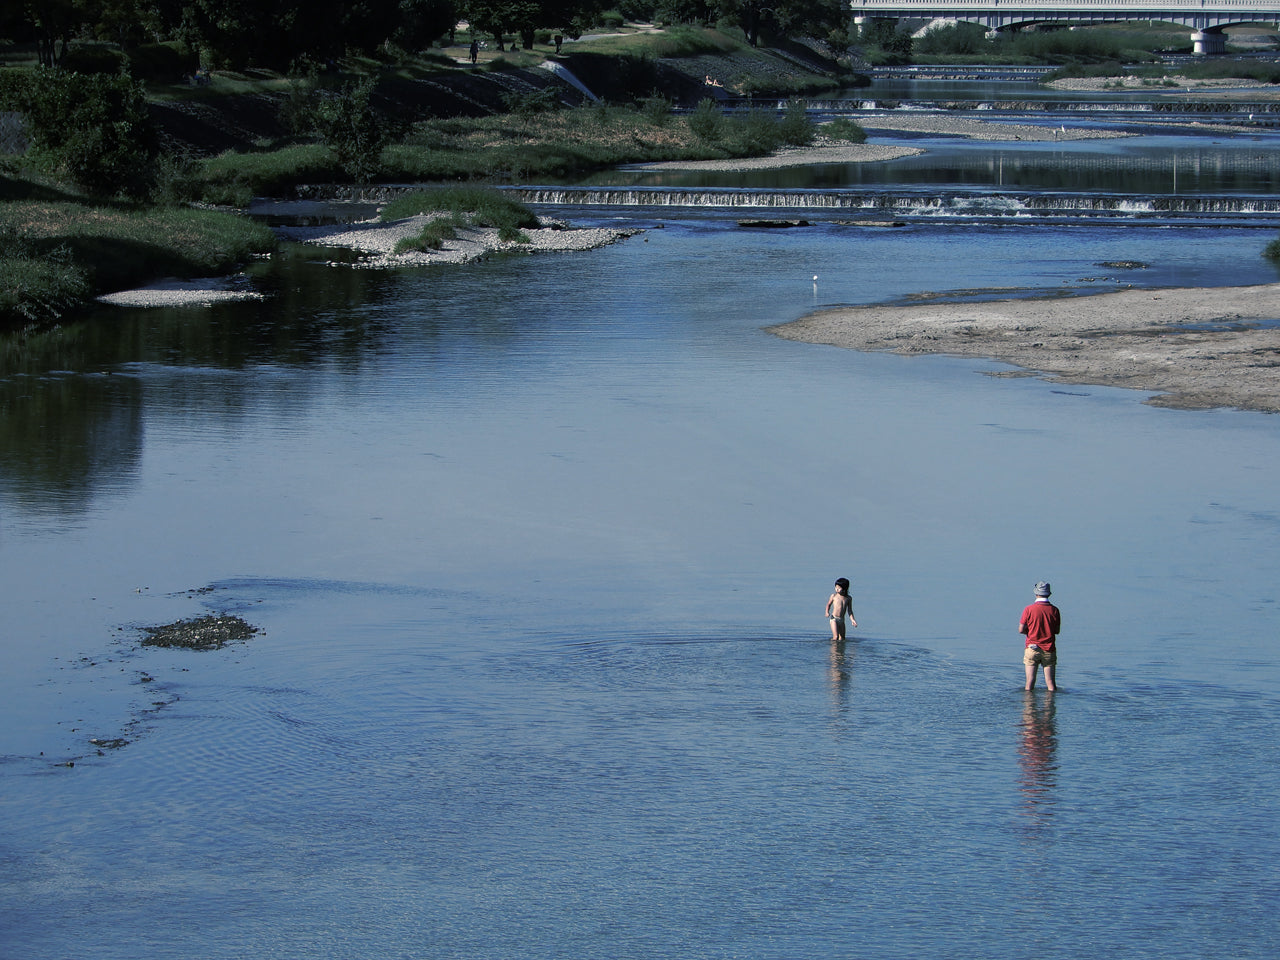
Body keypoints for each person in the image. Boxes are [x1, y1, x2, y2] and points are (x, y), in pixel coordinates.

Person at [1019, 581, 1061, 691]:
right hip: (1049, 649)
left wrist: (1030, 632)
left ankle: (1029, 706)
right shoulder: (1055, 610)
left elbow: (1021, 629)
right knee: (1051, 683)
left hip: (1032, 648)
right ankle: (1051, 707)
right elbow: (1057, 631)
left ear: (1036, 593)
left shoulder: (1028, 609)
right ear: (1049, 594)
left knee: (1029, 683)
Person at [825, 577, 857, 642]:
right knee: (836, 636)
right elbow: (828, 604)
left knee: (842, 638)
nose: (837, 589)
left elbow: (850, 611)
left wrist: (852, 620)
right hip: (834, 619)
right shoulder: (834, 596)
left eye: (839, 588)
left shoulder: (848, 598)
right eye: (836, 587)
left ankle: (840, 651)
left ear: (844, 589)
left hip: (841, 620)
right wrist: (827, 612)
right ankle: (833, 650)